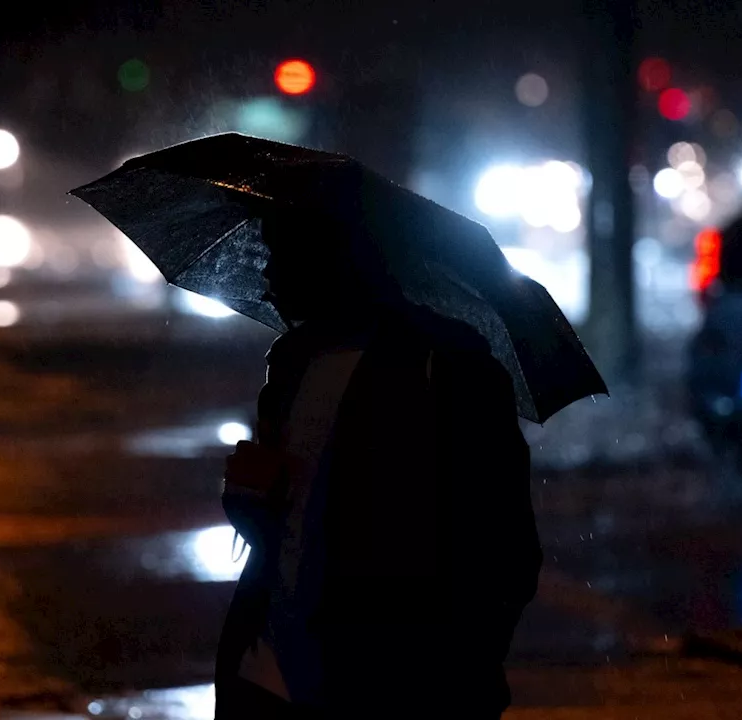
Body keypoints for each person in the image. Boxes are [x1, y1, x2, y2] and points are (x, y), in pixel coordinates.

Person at [214, 213, 542, 718]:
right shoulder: (290, 361)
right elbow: (293, 519)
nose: (267, 278)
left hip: (395, 680)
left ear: (331, 259)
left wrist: (459, 662)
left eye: (282, 256)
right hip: (273, 672)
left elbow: (504, 540)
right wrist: (251, 506)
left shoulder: (447, 362)